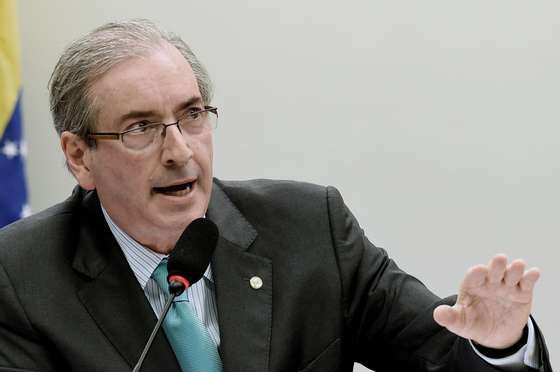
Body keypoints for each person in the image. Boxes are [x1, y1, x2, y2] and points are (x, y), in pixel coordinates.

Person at [0, 19, 552, 372]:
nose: (180, 152)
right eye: (140, 128)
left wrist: (498, 345)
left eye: (192, 116)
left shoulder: (312, 229)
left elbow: (441, 356)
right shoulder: (19, 278)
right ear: (78, 156)